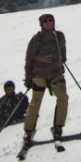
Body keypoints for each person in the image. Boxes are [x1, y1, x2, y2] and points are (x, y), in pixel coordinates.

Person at [22, 13, 69, 149]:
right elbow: (29, 59)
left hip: (56, 74)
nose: (48, 23)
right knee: (35, 102)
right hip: (39, 75)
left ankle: (58, 127)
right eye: (45, 21)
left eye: (50, 20)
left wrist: (60, 61)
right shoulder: (37, 39)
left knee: (63, 97)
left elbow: (63, 52)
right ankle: (28, 131)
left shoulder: (59, 36)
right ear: (41, 24)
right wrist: (28, 77)